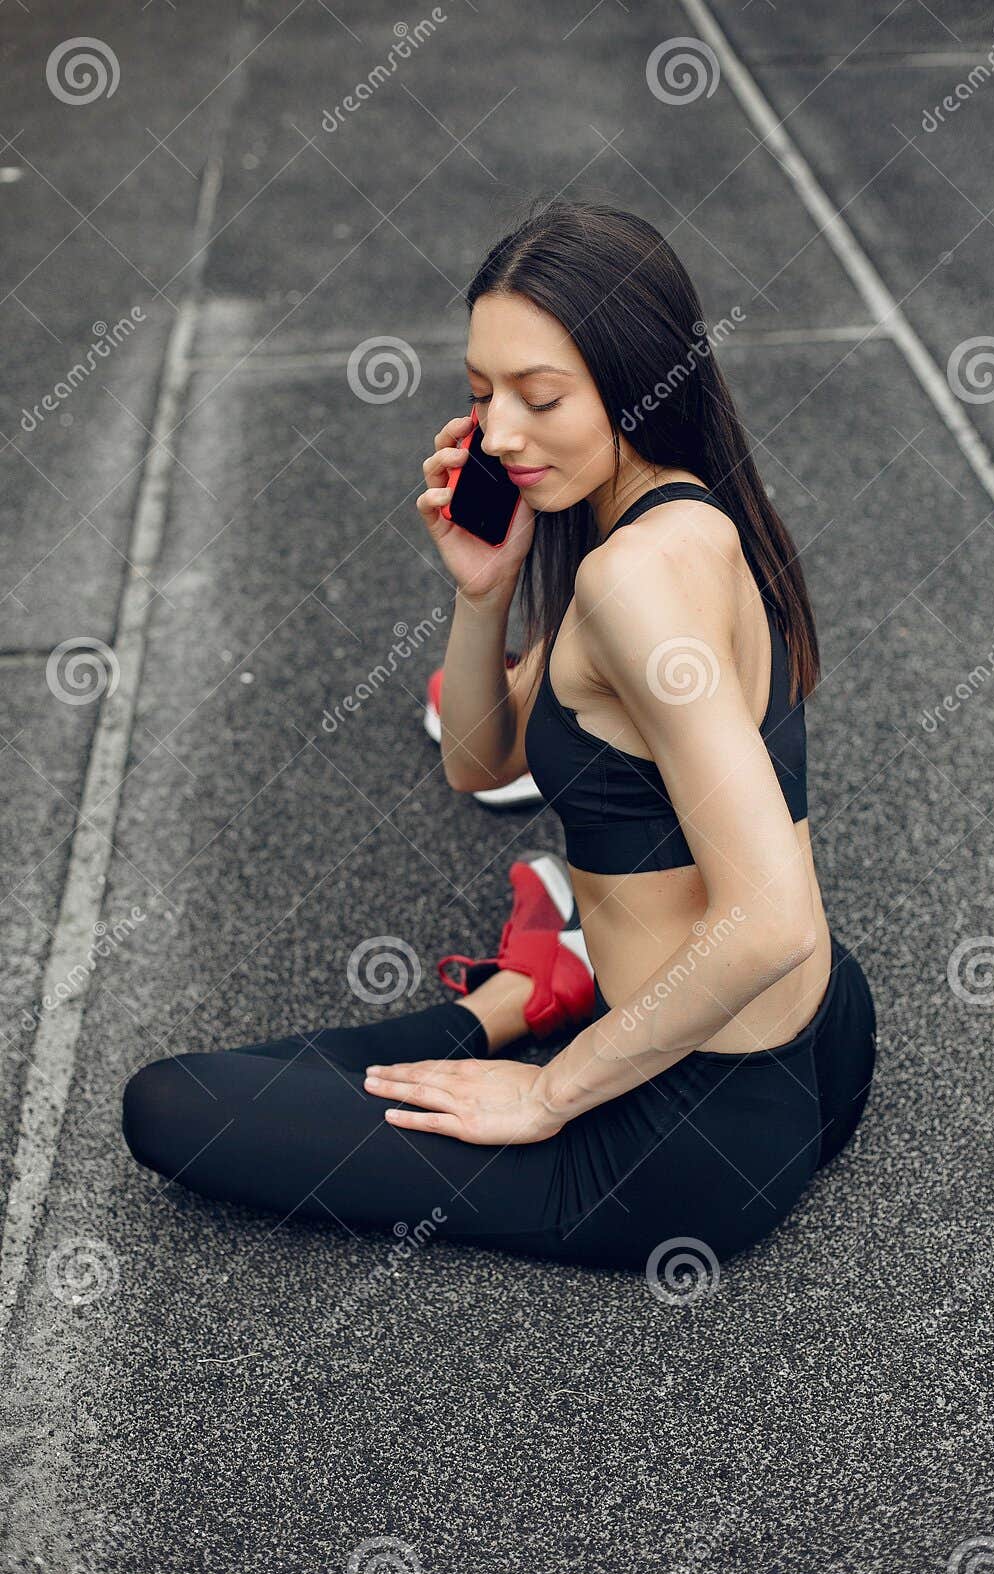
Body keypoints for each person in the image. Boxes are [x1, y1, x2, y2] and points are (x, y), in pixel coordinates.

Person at [122, 199, 877, 1275]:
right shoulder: (685, 518)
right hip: (821, 1049)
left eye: (540, 395)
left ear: (633, 377)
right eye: (481, 395)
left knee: (170, 1104)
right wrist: (484, 590)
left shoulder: (632, 581)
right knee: (288, 1086)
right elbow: (481, 760)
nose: (501, 434)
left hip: (682, 1141)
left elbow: (770, 918)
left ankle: (528, 1008)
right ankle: (529, 992)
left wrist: (550, 1091)